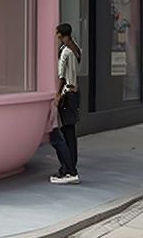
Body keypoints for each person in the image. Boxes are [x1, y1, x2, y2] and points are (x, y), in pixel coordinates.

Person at [50, 23, 81, 185]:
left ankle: (69, 171)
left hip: (67, 95)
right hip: (75, 95)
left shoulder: (65, 52)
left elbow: (61, 76)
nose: (56, 38)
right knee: (71, 134)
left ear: (61, 35)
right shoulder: (75, 49)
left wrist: (57, 95)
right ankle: (70, 168)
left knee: (65, 133)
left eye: (57, 35)